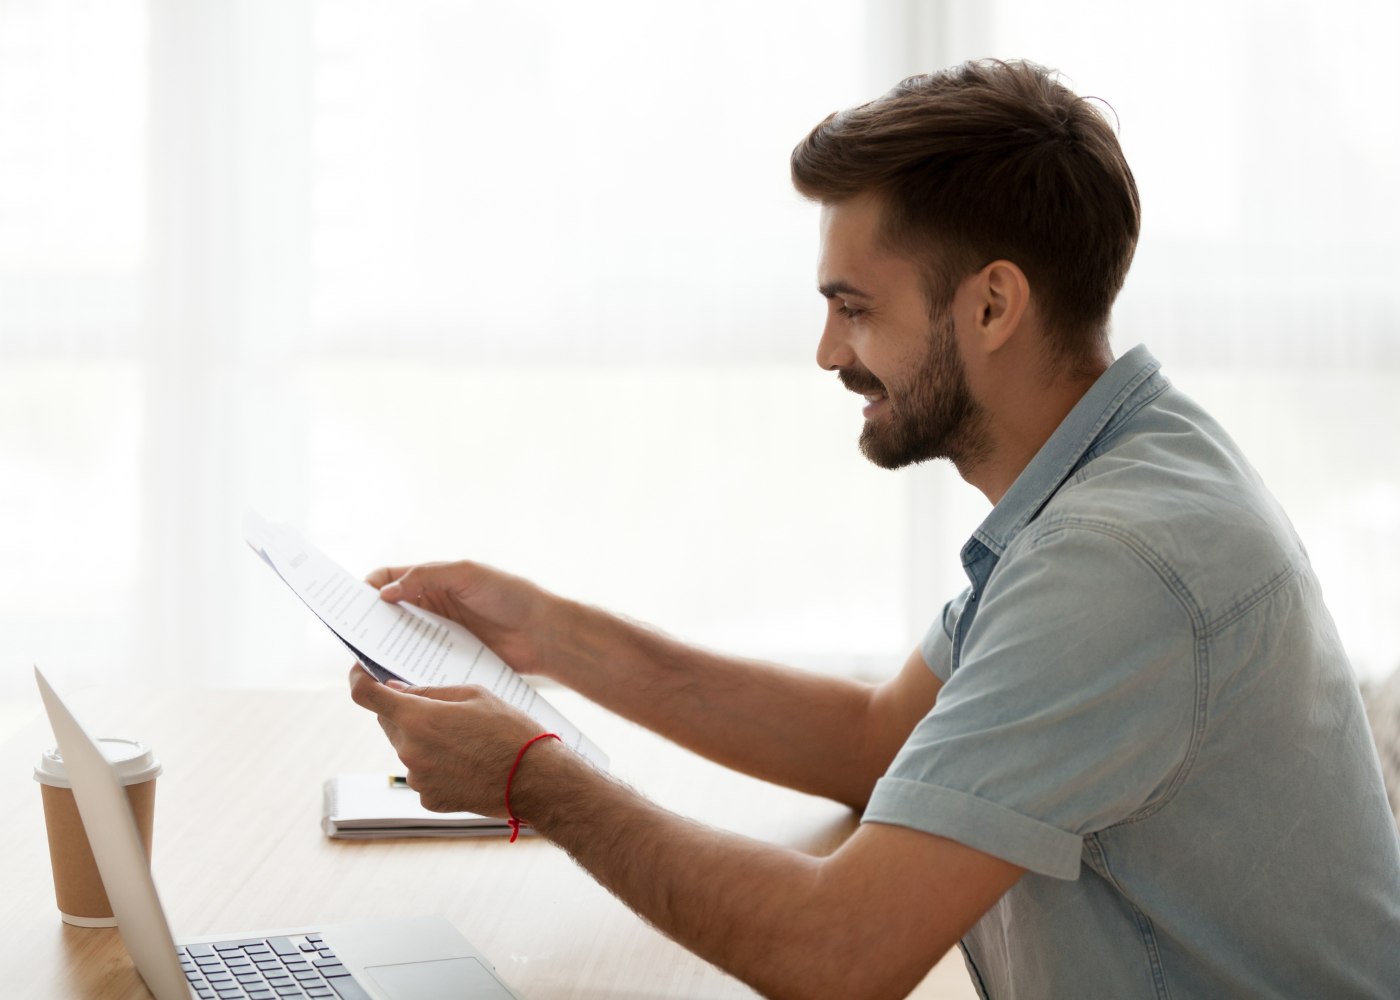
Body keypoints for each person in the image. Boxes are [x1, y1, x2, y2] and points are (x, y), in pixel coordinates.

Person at [349, 60, 1400, 998]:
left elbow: (836, 955)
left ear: (991, 307)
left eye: (853, 307)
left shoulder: (1113, 566)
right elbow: (877, 740)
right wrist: (546, 635)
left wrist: (532, 777)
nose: (824, 352)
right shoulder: (1124, 464)